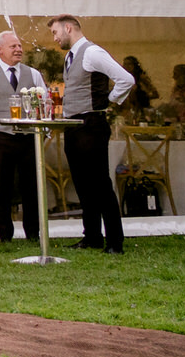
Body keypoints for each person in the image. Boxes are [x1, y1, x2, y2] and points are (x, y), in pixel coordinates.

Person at [51, 14, 135, 253]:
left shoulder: (92, 52)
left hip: (91, 125)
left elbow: (126, 79)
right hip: (73, 125)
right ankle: (92, 237)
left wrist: (108, 101)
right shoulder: (71, 56)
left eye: (56, 33)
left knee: (100, 183)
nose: (55, 38)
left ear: (69, 28)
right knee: (82, 184)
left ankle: (115, 242)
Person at [0, 29, 46, 243]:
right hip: (0, 138)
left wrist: (43, 133)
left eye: (20, 46)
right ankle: (5, 236)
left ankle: (33, 234)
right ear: (0, 50)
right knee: (0, 188)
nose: (18, 49)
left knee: (31, 187)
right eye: (13, 46)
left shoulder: (34, 74)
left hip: (29, 137)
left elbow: (45, 104)